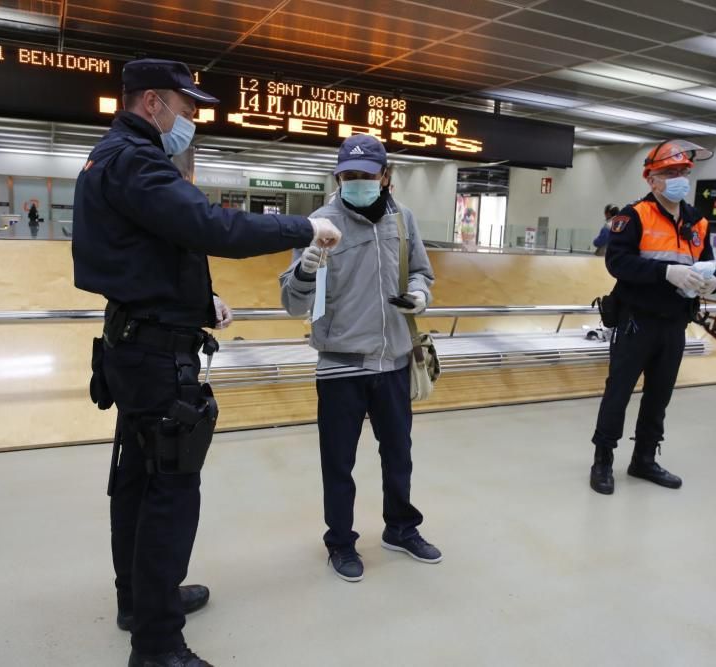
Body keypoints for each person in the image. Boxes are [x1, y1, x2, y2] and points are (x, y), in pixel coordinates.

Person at [72, 58, 341, 667]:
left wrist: (196, 299)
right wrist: (305, 226)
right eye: (185, 106)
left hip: (133, 337)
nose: (190, 118)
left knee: (138, 480)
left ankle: (140, 602)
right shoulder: (136, 161)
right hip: (153, 356)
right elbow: (209, 225)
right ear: (151, 104)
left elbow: (147, 249)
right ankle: (158, 645)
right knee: (170, 488)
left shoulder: (108, 157)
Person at [279, 134, 441, 583]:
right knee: (338, 461)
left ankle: (401, 528)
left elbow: (421, 271)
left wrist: (421, 294)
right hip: (340, 365)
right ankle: (341, 542)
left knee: (399, 455)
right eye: (349, 176)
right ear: (338, 178)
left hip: (393, 363)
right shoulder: (319, 223)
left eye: (366, 176)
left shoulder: (403, 221)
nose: (357, 183)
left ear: (385, 177)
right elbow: (293, 303)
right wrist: (306, 268)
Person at [589, 139, 716, 495]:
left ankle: (644, 459)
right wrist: (666, 272)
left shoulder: (698, 221)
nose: (678, 178)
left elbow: (707, 261)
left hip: (675, 321)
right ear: (651, 179)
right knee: (618, 391)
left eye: (682, 172)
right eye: (669, 172)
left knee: (659, 395)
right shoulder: (633, 216)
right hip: (636, 319)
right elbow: (617, 262)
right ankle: (603, 460)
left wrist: (710, 280)